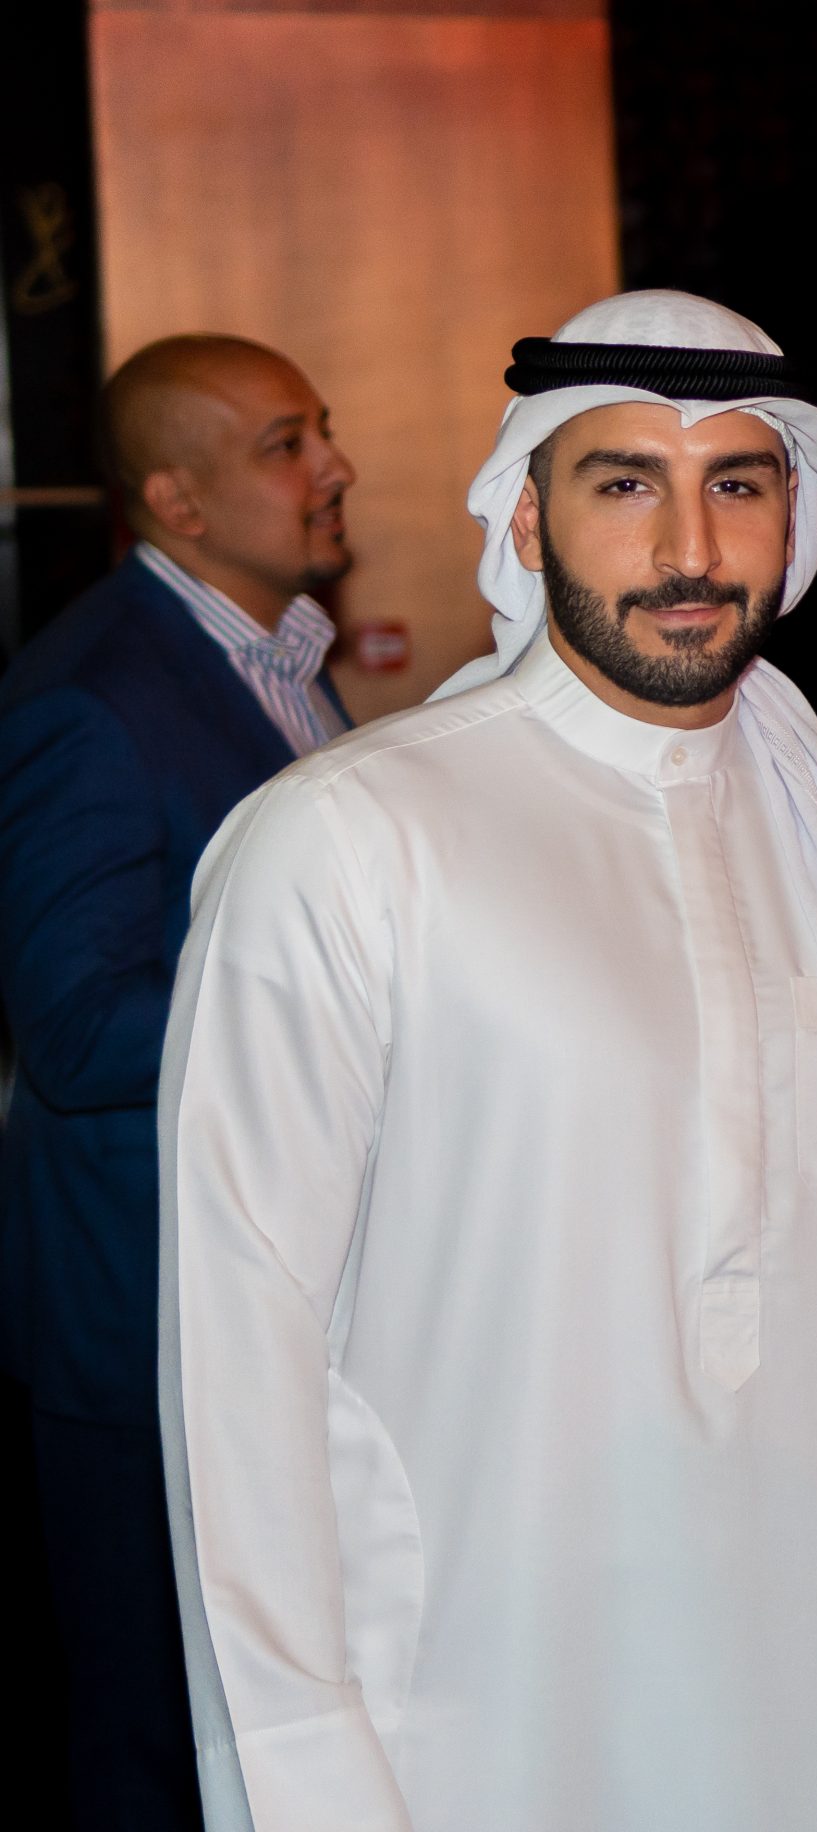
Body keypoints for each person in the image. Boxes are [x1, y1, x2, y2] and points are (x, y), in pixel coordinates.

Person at [155, 291, 817, 1830]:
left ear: (800, 515)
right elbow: (242, 1365)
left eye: (737, 483)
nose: (689, 543)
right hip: (473, 1727)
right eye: (624, 482)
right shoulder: (348, 845)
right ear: (530, 519)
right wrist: (304, 1784)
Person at [0, 332, 357, 1829]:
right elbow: (77, 1031)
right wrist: (345, 1007)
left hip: (261, 1297)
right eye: (287, 443)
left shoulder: (279, 664)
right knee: (155, 1742)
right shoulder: (93, 694)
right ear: (177, 499)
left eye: (322, 428)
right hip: (144, 1328)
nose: (335, 465)